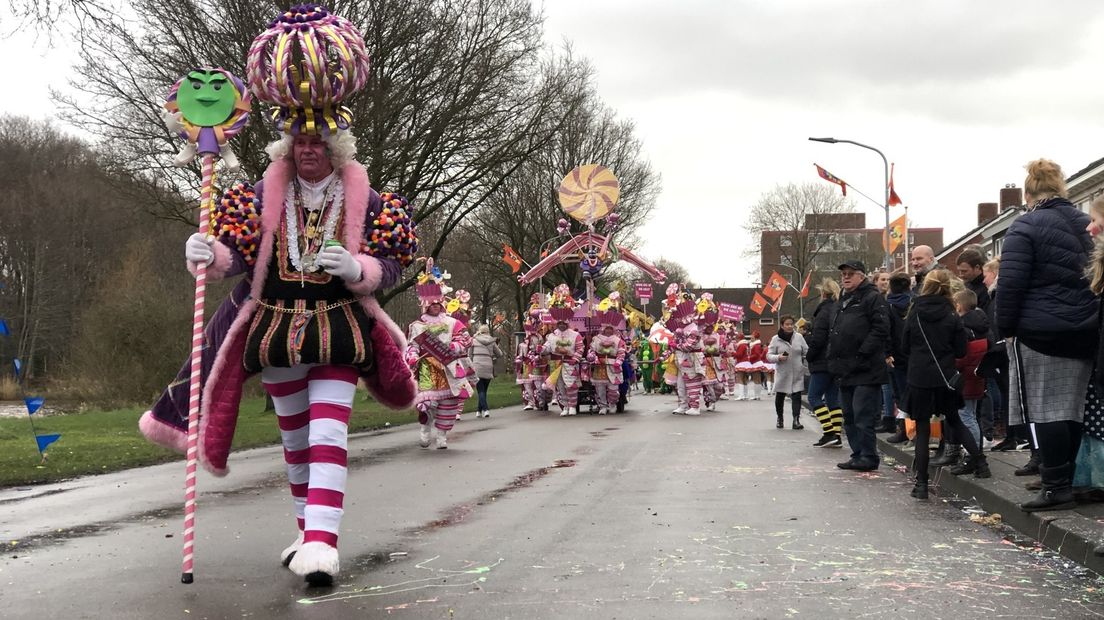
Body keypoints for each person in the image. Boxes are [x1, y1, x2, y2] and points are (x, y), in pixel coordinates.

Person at [145, 10, 417, 585]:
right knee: (294, 436)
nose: (308, 150)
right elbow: (237, 257)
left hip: (340, 324)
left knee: (328, 429)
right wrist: (207, 254)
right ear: (286, 145)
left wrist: (360, 266)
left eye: (318, 142)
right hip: (273, 328)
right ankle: (305, 529)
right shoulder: (254, 197)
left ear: (336, 147)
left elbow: (393, 260)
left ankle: (323, 539)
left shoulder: (368, 200)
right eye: (299, 141)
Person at [999, 158, 1098, 512]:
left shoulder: (1024, 227)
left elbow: (1010, 286)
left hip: (1040, 330)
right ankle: (1068, 479)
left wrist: (1006, 330)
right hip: (1086, 328)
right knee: (1073, 408)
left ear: (1028, 193)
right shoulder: (1087, 224)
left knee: (1047, 408)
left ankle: (1056, 486)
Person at [899, 269, 970, 499]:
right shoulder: (951, 313)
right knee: (954, 420)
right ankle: (980, 462)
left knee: (922, 429)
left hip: (919, 377)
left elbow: (905, 346)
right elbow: (961, 349)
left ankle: (921, 484)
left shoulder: (915, 312)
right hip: (945, 377)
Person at [828, 260, 890, 472]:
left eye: (850, 274)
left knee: (862, 415)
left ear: (861, 276)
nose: (845, 277)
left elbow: (881, 329)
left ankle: (869, 456)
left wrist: (863, 353)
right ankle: (857, 454)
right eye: (843, 274)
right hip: (844, 369)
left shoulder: (873, 298)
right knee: (849, 415)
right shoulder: (843, 301)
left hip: (866, 368)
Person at [407, 272, 475, 449]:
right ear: (425, 306)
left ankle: (442, 436)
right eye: (432, 304)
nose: (436, 307)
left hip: (449, 367)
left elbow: (466, 340)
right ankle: (425, 429)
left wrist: (453, 347)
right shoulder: (417, 326)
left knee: (448, 404)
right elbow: (411, 346)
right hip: (426, 369)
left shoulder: (453, 323)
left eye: (438, 304)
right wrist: (413, 357)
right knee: (426, 404)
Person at [948, 289, 992, 478]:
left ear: (958, 306)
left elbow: (962, 356)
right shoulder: (981, 326)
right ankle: (973, 453)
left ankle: (973, 455)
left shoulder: (964, 329)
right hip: (977, 378)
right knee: (972, 415)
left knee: (966, 417)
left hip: (965, 379)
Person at [806, 278, 843, 447]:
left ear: (823, 294)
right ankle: (836, 434)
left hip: (821, 360)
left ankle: (828, 432)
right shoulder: (839, 309)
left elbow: (818, 338)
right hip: (836, 360)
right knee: (832, 398)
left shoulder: (823, 312)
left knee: (814, 396)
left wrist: (810, 355)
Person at [544, 291, 584, 416]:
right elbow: (548, 347)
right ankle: (565, 406)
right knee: (560, 386)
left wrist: (575, 359)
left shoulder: (575, 335)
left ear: (567, 323)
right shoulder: (552, 335)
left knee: (571, 385)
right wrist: (541, 349)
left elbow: (580, 348)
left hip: (569, 363)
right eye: (559, 323)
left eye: (563, 323)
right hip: (556, 364)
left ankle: (572, 406)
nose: (561, 325)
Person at [885, 273, 914, 444]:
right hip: (912, 354)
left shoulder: (888, 306)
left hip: (895, 356)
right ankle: (916, 429)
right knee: (913, 392)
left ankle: (904, 429)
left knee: (899, 393)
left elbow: (886, 331)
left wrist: (887, 353)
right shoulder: (914, 302)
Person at [767, 315, 809, 429]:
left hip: (797, 371)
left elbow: (806, 351)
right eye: (787, 324)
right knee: (780, 395)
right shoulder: (776, 339)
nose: (790, 326)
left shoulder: (799, 337)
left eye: (791, 324)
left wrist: (805, 361)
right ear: (782, 325)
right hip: (783, 372)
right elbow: (768, 356)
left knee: (797, 395)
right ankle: (780, 418)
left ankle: (796, 420)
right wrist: (778, 357)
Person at [589, 312, 626, 415]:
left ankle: (612, 404)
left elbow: (621, 352)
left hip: (613, 366)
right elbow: (591, 350)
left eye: (610, 329)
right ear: (603, 329)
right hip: (599, 365)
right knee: (600, 388)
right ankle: (603, 406)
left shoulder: (618, 340)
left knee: (613, 388)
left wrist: (618, 361)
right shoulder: (596, 339)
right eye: (607, 329)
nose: (608, 331)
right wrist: (593, 357)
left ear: (613, 329)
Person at [469, 323, 504, 418]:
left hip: (477, 366)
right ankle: (478, 411)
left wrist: (471, 365)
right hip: (488, 366)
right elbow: (500, 354)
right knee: (484, 390)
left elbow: (470, 355)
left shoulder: (473, 340)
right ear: (488, 332)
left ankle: (485, 409)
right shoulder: (491, 341)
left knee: (480, 390)